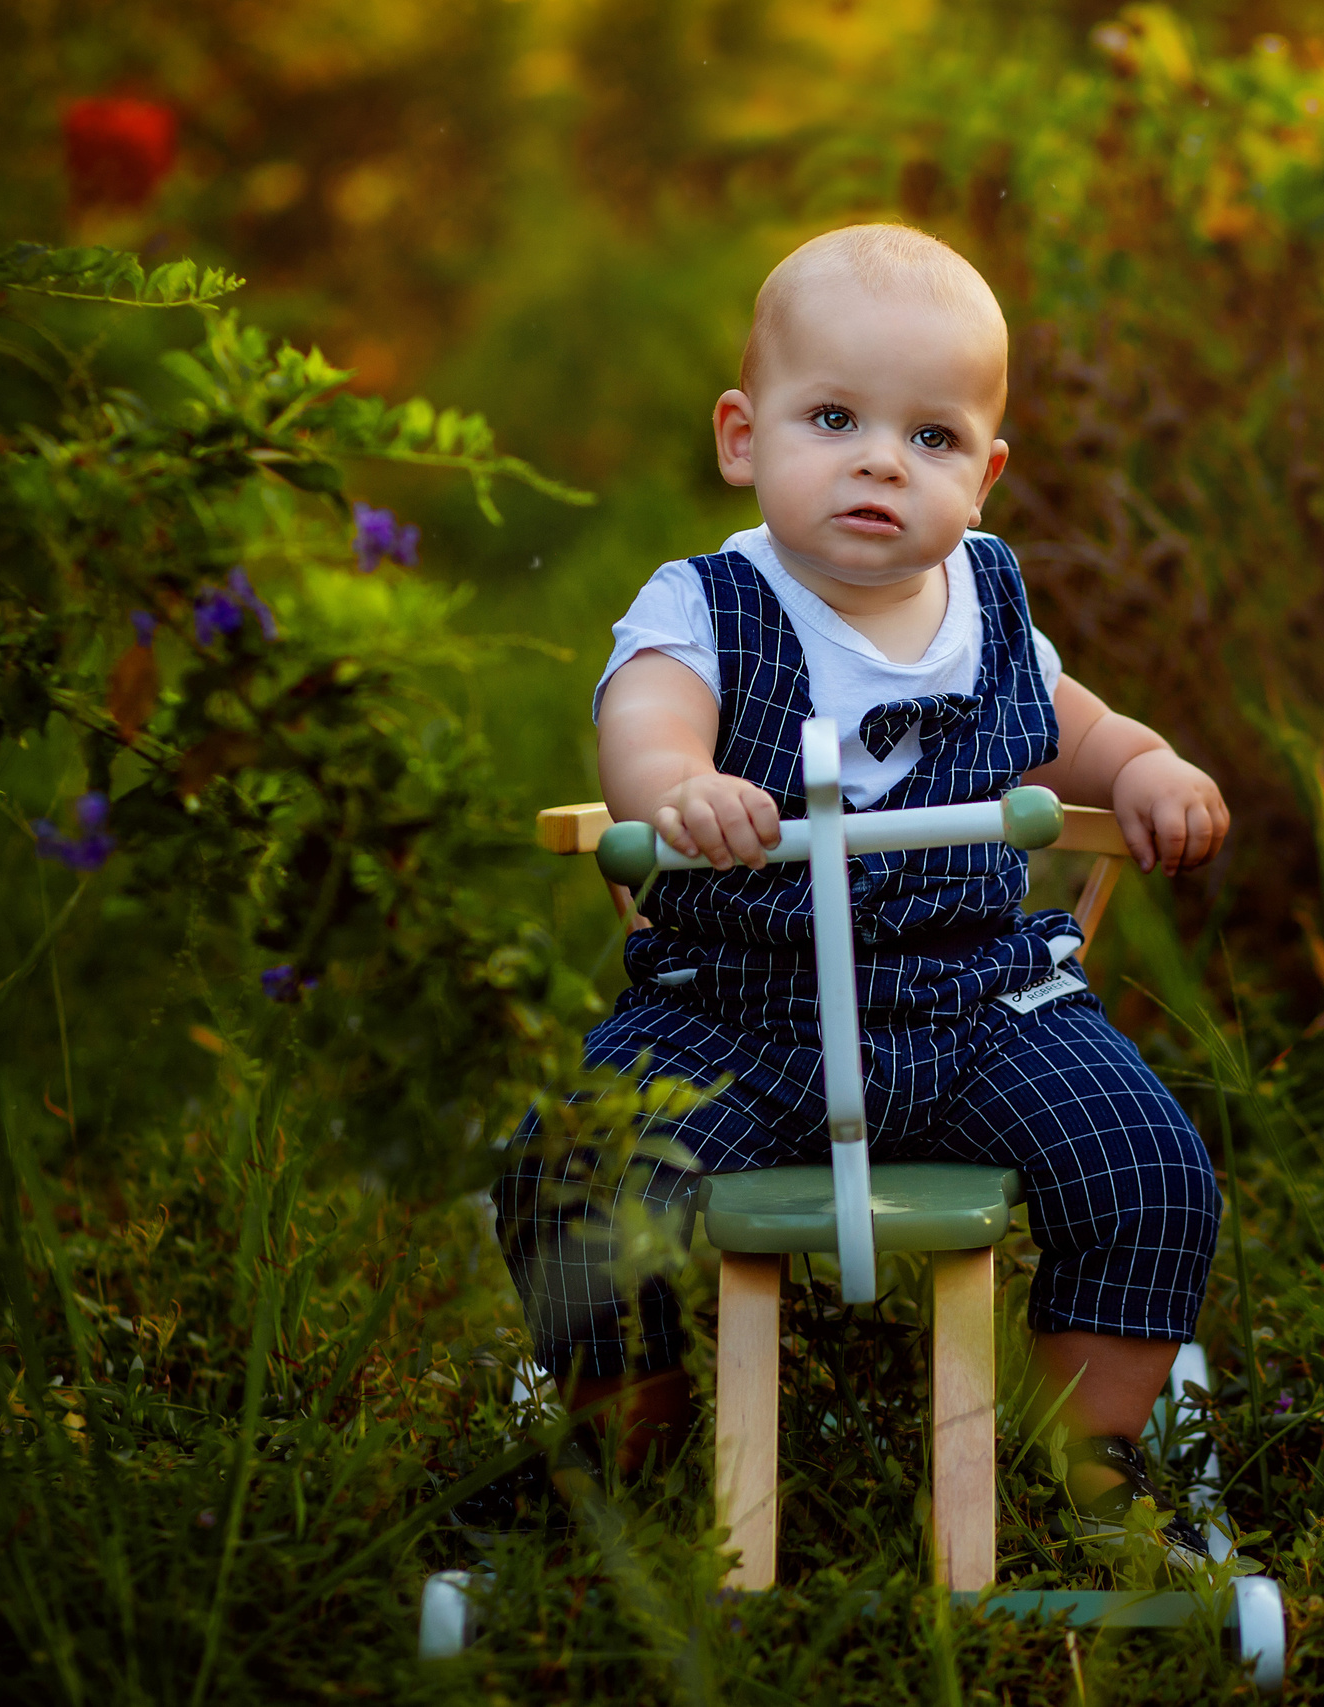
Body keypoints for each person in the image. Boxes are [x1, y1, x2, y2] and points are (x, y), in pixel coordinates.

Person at [499, 223, 1231, 1558]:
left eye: (934, 438)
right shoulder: (706, 606)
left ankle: (1098, 1471)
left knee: (1143, 1160)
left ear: (989, 474)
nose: (883, 461)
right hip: (735, 1010)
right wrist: (680, 786)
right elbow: (648, 721)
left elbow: (1075, 722)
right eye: (832, 418)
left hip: (980, 1002)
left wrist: (1147, 764)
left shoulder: (989, 606)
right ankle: (629, 1453)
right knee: (583, 1172)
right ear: (743, 436)